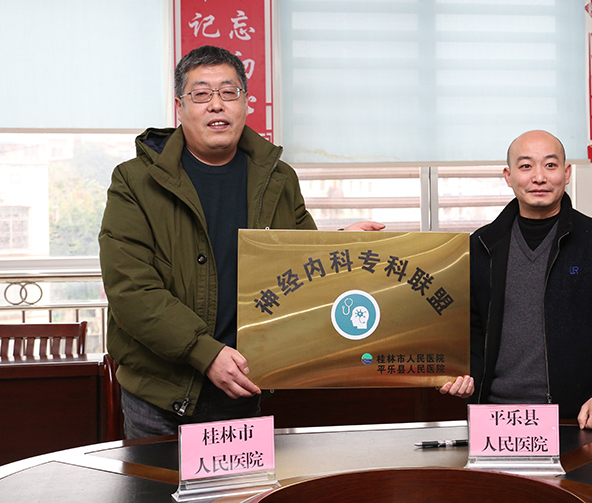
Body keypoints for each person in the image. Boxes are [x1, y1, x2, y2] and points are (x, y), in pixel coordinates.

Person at [99, 45, 383, 438]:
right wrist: (205, 352)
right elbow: (131, 290)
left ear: (246, 103)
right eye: (201, 93)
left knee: (244, 482)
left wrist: (338, 247)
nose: (216, 104)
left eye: (228, 92)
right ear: (180, 107)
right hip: (161, 396)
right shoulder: (134, 181)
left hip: (243, 387)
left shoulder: (278, 178)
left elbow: (299, 267)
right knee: (156, 480)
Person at [440, 129, 592, 430]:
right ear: (508, 176)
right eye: (526, 166)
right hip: (495, 418)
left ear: (566, 173)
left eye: (550, 165)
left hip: (576, 418)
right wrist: (462, 375)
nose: (539, 177)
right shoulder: (481, 245)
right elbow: (470, 328)